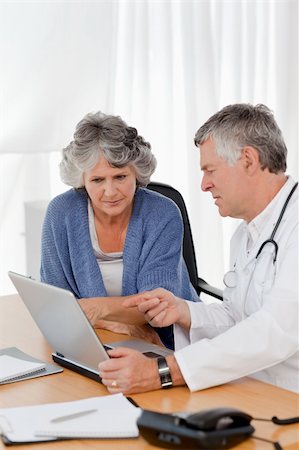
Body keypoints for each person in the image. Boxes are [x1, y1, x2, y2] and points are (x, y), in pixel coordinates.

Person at [98, 103, 298, 394]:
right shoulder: (246, 233)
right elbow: (239, 317)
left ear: (248, 160)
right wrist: (184, 312)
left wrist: (164, 372)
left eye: (210, 170)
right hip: (251, 387)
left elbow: (275, 331)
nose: (204, 185)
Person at [40, 111, 198, 349]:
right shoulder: (60, 213)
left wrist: (96, 310)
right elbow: (56, 305)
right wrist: (120, 325)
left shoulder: (162, 213)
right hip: (92, 341)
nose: (111, 191)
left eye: (120, 176)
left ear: (137, 172)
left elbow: (157, 305)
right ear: (82, 180)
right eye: (97, 180)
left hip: (169, 342)